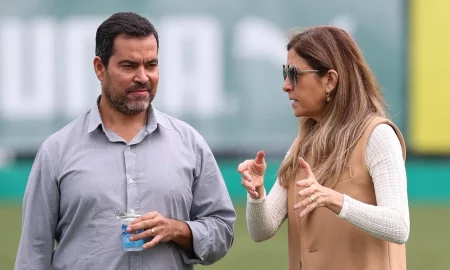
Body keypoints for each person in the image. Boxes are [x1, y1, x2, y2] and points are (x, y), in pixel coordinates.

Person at [15, 12, 236, 270]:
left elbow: (222, 229)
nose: (143, 76)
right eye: (129, 66)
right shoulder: (56, 151)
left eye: (151, 65)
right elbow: (33, 254)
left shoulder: (189, 143)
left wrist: (177, 229)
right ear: (100, 68)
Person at [238, 26, 410, 270]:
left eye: (295, 74)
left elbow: (399, 226)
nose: (286, 85)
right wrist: (256, 194)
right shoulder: (301, 145)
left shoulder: (378, 136)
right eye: (285, 73)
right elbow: (262, 230)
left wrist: (337, 200)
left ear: (330, 80)